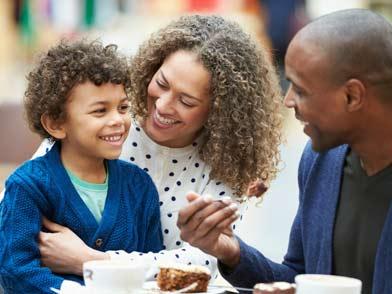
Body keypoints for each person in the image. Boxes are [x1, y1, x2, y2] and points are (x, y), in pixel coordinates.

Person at [26, 14, 282, 281]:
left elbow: (202, 261)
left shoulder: (226, 163)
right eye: (161, 84)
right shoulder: (106, 124)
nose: (162, 106)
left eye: (186, 101)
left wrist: (92, 261)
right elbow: (16, 208)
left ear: (219, 112)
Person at [177, 9, 392, 294]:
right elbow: (299, 276)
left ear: (352, 96)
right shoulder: (321, 161)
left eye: (301, 90)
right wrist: (231, 252)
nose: (288, 101)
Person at [0, 40, 163, 293]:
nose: (117, 120)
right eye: (100, 111)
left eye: (123, 108)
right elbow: (14, 271)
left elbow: (151, 274)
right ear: (56, 124)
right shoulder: (28, 186)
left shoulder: (139, 186)